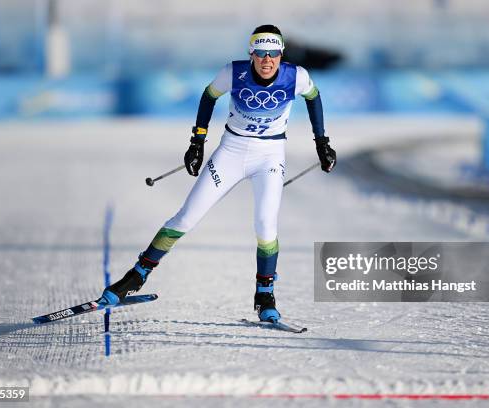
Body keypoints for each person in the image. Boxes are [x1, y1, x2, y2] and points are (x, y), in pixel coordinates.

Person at [98, 24, 336, 322]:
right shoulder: (233, 72)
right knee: (186, 217)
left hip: (269, 156)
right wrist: (197, 141)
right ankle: (136, 277)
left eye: (273, 53)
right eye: (260, 53)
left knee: (265, 226)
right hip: (231, 151)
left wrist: (322, 142)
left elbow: (314, 98)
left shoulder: (296, 76)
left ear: (281, 54)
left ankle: (265, 296)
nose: (267, 60)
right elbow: (209, 96)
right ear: (251, 54)